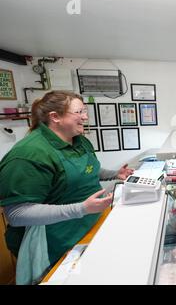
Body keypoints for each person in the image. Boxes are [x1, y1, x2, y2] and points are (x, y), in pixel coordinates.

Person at [0, 91, 134, 284]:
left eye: (85, 111)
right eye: (79, 112)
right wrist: (81, 209)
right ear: (55, 117)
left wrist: (115, 174)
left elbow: (89, 170)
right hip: (54, 242)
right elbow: (17, 213)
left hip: (89, 227)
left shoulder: (79, 140)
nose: (85, 117)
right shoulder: (29, 154)